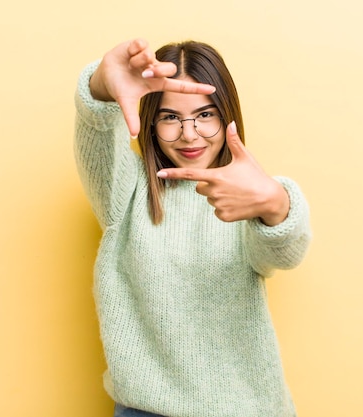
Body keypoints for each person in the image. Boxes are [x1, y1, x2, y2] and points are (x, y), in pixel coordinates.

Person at [74, 38, 312, 417]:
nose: (189, 134)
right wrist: (102, 85)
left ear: (227, 115)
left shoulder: (245, 193)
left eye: (205, 115)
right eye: (170, 117)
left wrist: (275, 202)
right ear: (150, 122)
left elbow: (285, 252)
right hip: (145, 410)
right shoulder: (127, 190)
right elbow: (98, 132)